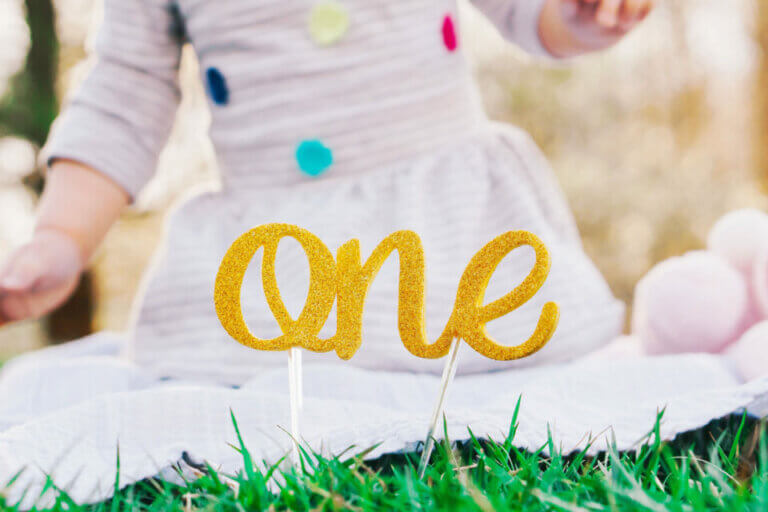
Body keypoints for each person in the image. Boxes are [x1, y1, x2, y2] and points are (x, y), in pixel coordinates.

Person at [0, 0, 660, 504]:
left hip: (453, 239)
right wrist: (61, 235)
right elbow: (124, 92)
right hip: (273, 268)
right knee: (237, 412)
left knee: (529, 398)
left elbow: (531, 12)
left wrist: (582, 15)